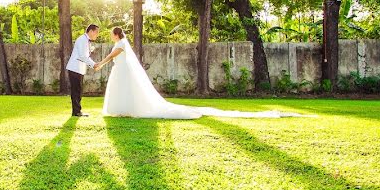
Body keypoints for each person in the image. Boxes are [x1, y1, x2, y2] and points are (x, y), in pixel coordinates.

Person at [95, 27, 300, 119]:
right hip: (119, 71)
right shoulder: (121, 43)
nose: (110, 37)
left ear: (116, 34)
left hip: (120, 70)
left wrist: (100, 64)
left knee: (124, 90)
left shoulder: (121, 44)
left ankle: (125, 110)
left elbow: (111, 56)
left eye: (111, 34)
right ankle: (121, 110)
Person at [65, 24, 100, 117]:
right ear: (91, 31)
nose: (97, 35)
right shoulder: (82, 39)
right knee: (76, 90)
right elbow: (82, 56)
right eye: (97, 32)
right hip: (75, 68)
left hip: (79, 69)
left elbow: (85, 56)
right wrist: (93, 64)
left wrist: (93, 64)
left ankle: (77, 111)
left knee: (78, 90)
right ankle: (76, 112)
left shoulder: (85, 40)